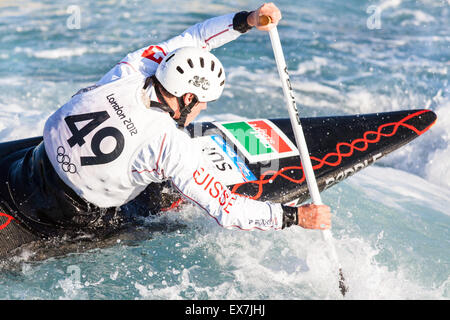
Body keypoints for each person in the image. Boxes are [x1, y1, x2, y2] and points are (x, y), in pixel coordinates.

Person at [0, 3, 331, 258]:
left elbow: (194, 38)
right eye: (202, 103)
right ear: (188, 97)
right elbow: (228, 210)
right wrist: (298, 217)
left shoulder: (131, 68)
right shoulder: (169, 144)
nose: (202, 110)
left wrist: (249, 19)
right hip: (62, 217)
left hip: (23, 167)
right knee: (156, 214)